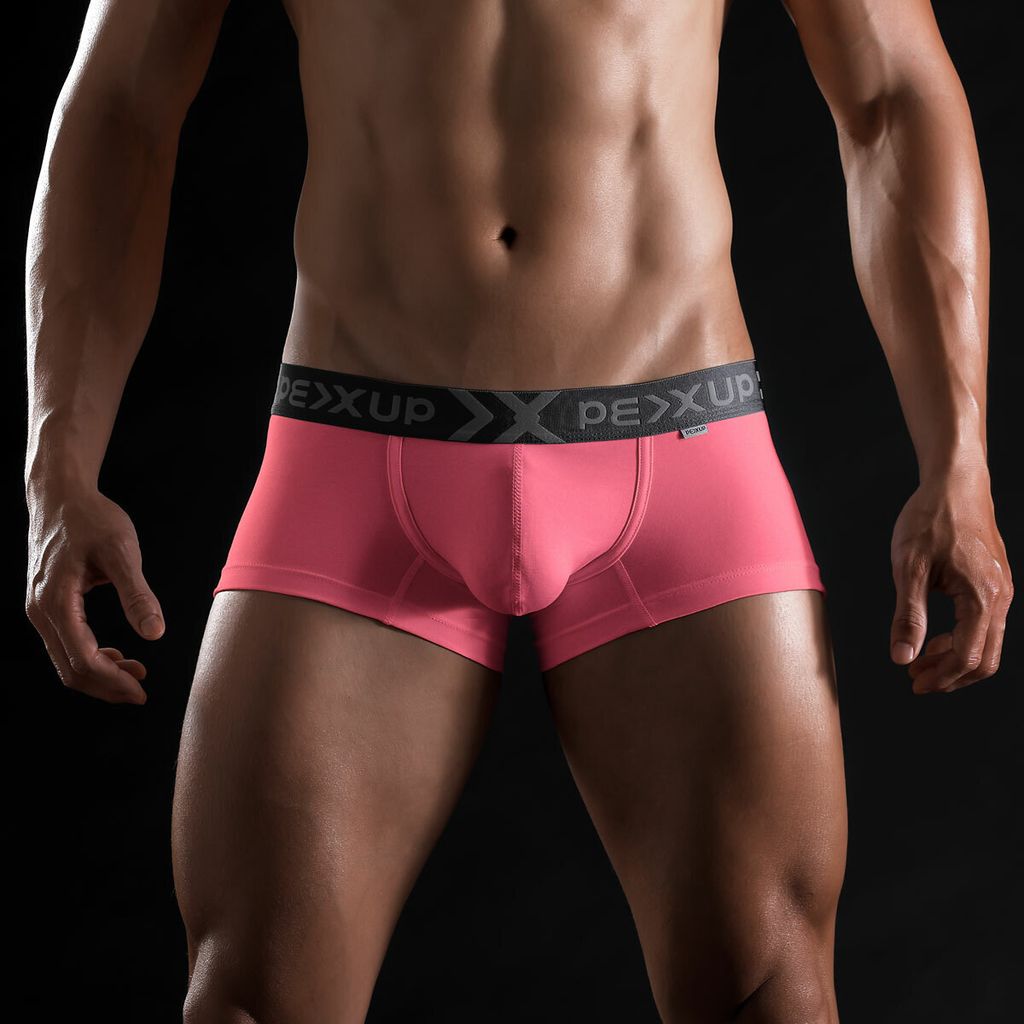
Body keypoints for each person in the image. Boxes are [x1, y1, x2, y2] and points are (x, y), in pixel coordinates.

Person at [23, 1, 1012, 1021]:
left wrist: (959, 457)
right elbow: (120, 104)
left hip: (678, 446)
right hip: (356, 450)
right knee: (249, 998)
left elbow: (892, 92)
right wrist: (57, 461)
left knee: (772, 990)